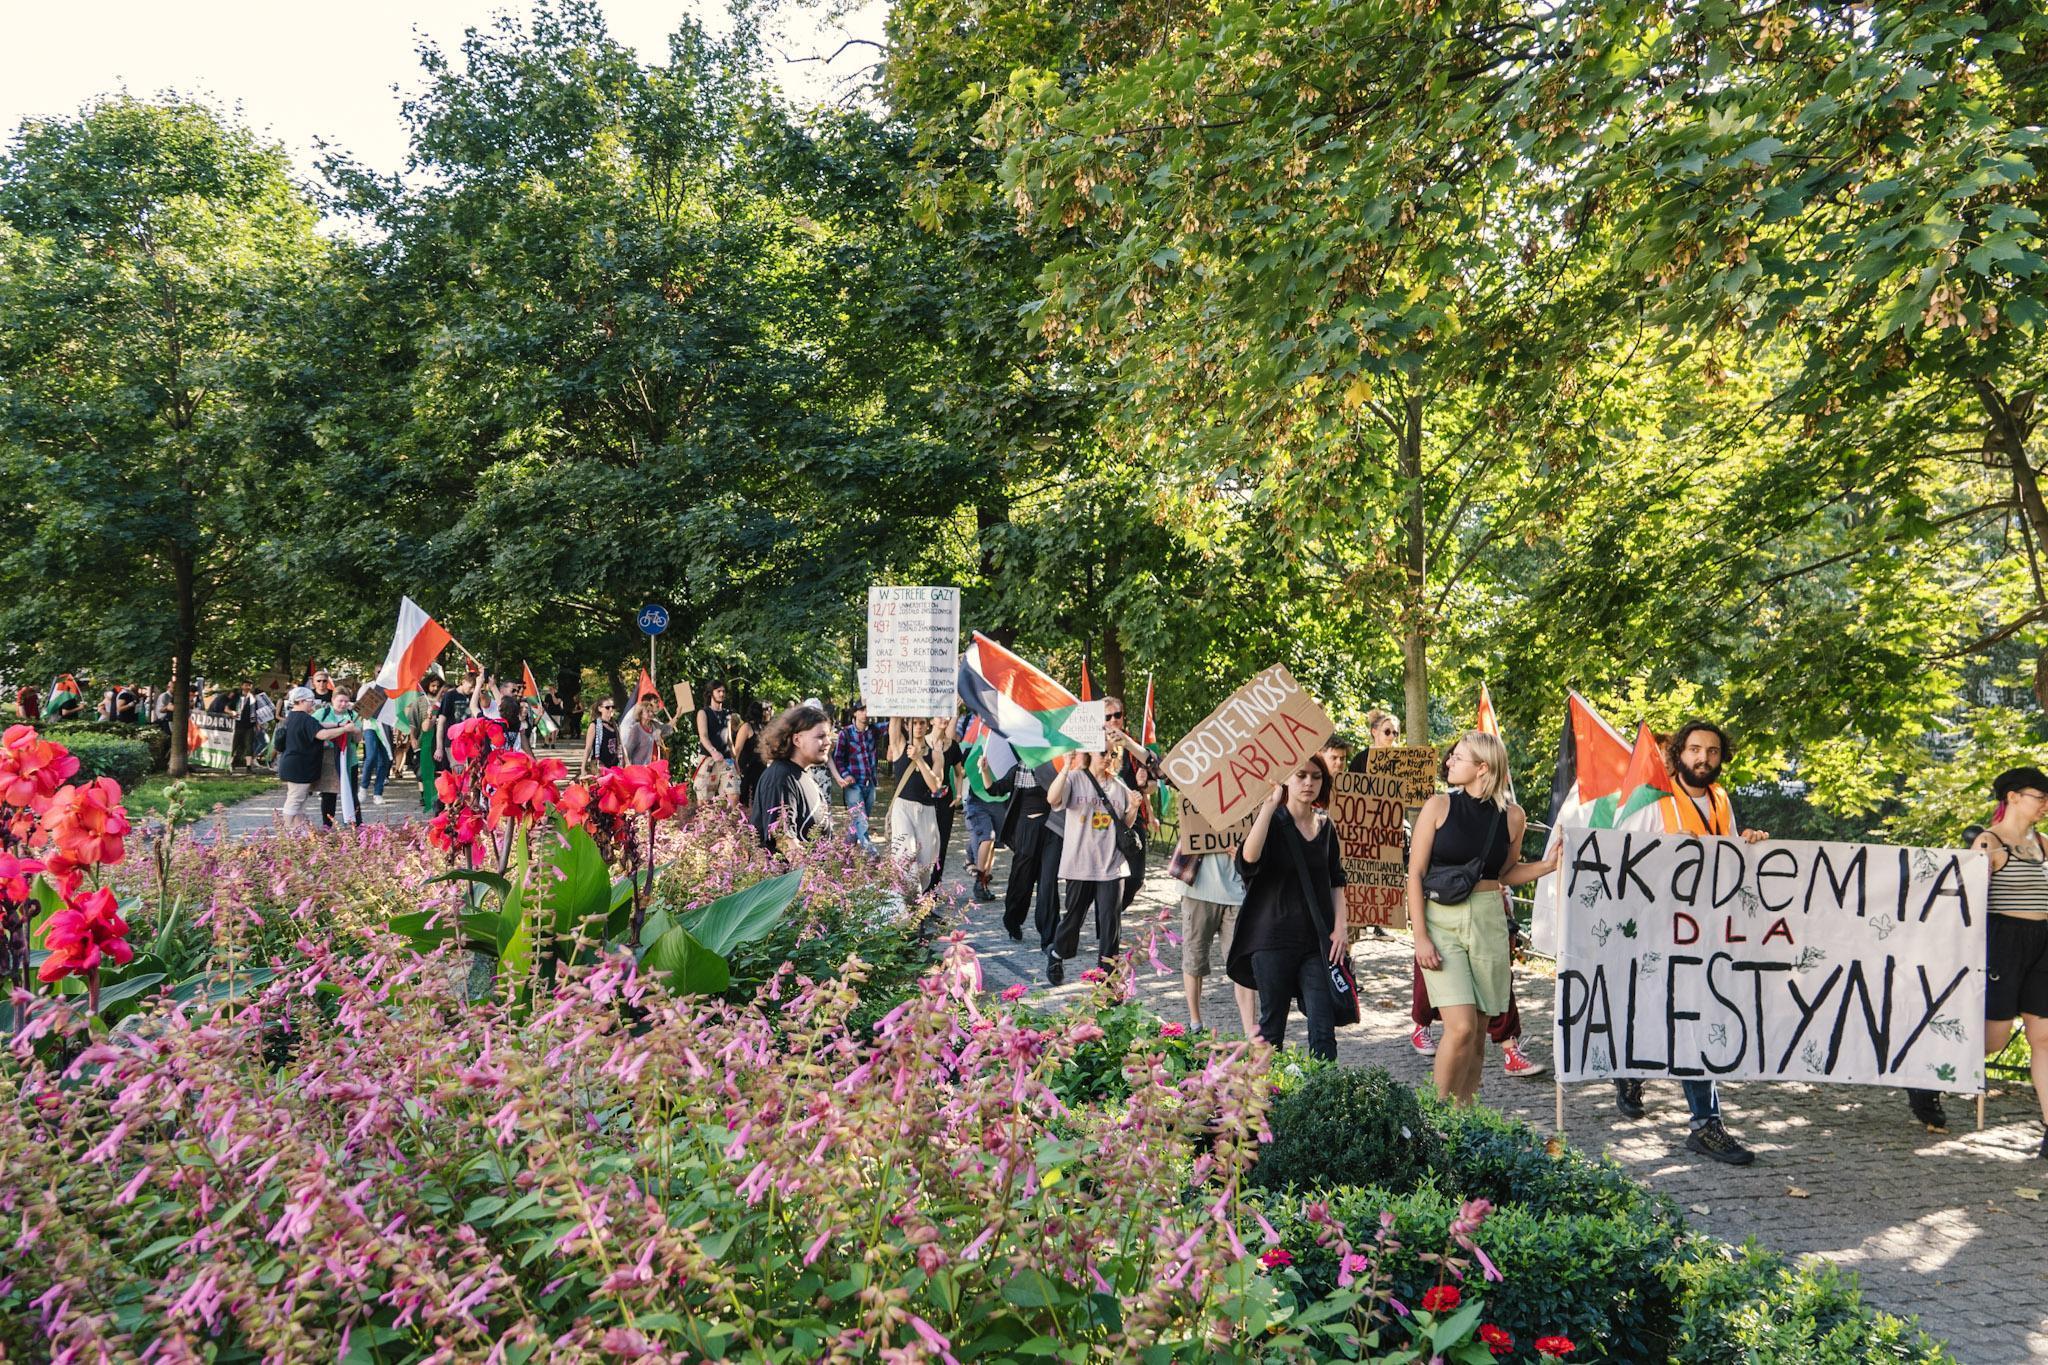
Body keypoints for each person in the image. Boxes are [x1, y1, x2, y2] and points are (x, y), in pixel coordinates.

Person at [1609, 720, 1766, 1163]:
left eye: (1712, 751)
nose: (1704, 758)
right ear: (1679, 753)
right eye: (1695, 749)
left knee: (1694, 1015)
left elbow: (1729, 853)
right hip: (1657, 927)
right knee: (1665, 1009)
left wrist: (1748, 842)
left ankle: (1702, 1122)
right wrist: (1661, 851)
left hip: (1704, 929)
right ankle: (1637, 1070)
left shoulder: (1720, 799)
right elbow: (1621, 858)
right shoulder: (1654, 801)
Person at [1407, 731, 1554, 1107]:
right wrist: (1420, 937)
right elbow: (1415, 875)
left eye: (1458, 757)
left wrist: (1549, 866)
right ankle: (1434, 1114)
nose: (1449, 762)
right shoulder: (1438, 806)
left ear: (1482, 767)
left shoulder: (1513, 817)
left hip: (1489, 920)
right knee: (1460, 1027)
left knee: (1479, 1032)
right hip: (1442, 921)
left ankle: (1463, 1116)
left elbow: (1505, 873)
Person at [1228, 757, 1348, 1059]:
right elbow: (1248, 860)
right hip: (1272, 941)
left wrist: (1341, 928)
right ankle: (1266, 1099)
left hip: (1316, 944)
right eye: (1301, 776)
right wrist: (1268, 807)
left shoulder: (1326, 825)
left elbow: (1337, 879)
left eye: (1316, 777)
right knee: (1272, 1029)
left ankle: (1321, 1099)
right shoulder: (1273, 821)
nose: (1308, 783)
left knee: (1323, 1029)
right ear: (1286, 781)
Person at [1967, 767, 2048, 1158]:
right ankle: (1930, 1073)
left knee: (2044, 1037)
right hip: (2003, 941)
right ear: (2012, 797)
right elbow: (1965, 903)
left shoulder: (2045, 844)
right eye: (2039, 796)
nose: (2045, 804)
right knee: (1996, 1038)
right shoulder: (1989, 841)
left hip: (2043, 944)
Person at [1045, 745, 1136, 983]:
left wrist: (1134, 808)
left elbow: (1124, 825)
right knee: (1073, 918)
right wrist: (1065, 766)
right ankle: (1057, 952)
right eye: (1103, 752)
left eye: (1113, 754)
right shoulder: (1075, 778)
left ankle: (1108, 979)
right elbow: (1052, 799)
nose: (1108, 758)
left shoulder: (1119, 786)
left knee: (1110, 924)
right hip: (1080, 862)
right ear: (1090, 752)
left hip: (1112, 864)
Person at [1177, 846, 1259, 1037]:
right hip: (1198, 887)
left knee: (1241, 964)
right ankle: (1195, 1024)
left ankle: (1250, 1035)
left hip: (1237, 890)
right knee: (1194, 958)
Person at [992, 755, 1065, 949]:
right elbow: (996, 789)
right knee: (1021, 880)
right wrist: (983, 770)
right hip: (1027, 831)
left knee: (1048, 883)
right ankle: (1013, 921)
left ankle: (1049, 937)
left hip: (1053, 830)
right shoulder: (1020, 769)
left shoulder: (1058, 767)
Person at [751, 704, 833, 849]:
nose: (828, 742)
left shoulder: (803, 773)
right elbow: (783, 840)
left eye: (828, 736)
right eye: (821, 736)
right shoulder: (781, 778)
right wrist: (811, 871)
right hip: (789, 871)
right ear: (797, 740)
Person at [1104, 698, 1154, 912]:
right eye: (1108, 716)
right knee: (1105, 878)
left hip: (1134, 817)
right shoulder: (1094, 747)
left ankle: (1113, 913)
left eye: (1118, 715)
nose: (1114, 720)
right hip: (1105, 818)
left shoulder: (1134, 746)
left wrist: (1144, 784)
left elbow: (1152, 785)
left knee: (1136, 878)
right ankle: (1107, 923)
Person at [887, 717, 948, 888]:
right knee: (905, 855)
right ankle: (905, 905)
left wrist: (919, 759)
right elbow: (894, 720)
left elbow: (935, 786)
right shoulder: (899, 746)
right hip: (903, 808)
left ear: (928, 725)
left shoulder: (935, 754)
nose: (918, 727)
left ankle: (916, 903)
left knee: (924, 866)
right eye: (914, 723)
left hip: (926, 812)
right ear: (907, 726)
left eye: (922, 723)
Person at [273, 687, 338, 830]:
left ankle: (299, 830)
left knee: (300, 800)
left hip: (293, 764)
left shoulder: (293, 716)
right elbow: (323, 734)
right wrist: (344, 730)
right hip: (299, 767)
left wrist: (338, 725)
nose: (312, 704)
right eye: (310, 701)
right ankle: (288, 829)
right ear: (301, 701)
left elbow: (318, 725)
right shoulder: (304, 718)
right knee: (295, 800)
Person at [958, 728, 1009, 900]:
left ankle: (984, 881)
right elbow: (961, 771)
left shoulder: (1007, 744)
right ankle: (979, 882)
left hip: (999, 800)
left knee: (992, 843)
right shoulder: (977, 743)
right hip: (978, 801)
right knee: (987, 837)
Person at [314, 689, 364, 827]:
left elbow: (358, 739)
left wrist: (356, 730)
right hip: (328, 759)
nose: (343, 704)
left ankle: (357, 825)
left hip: (349, 759)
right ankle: (328, 825)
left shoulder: (353, 715)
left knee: (351, 793)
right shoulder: (322, 714)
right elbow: (313, 729)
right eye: (340, 701)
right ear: (333, 700)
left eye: (346, 701)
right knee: (329, 794)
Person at [830, 700, 879, 820]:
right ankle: (866, 840)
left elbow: (892, 726)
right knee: (860, 821)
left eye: (868, 710)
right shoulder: (845, 733)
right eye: (862, 710)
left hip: (870, 782)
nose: (865, 713)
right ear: (855, 713)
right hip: (853, 784)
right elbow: (838, 758)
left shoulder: (873, 730)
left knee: (860, 821)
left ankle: (849, 840)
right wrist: (845, 775)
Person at [694, 683, 737, 804]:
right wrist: (713, 751)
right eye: (718, 691)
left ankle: (730, 822)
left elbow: (729, 739)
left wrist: (735, 761)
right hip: (708, 759)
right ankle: (704, 823)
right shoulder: (703, 712)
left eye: (723, 691)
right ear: (711, 693)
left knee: (734, 794)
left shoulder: (728, 714)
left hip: (727, 760)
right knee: (704, 799)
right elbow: (703, 736)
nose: (722, 694)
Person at [357, 685, 395, 806]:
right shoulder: (368, 686)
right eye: (378, 671)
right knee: (371, 756)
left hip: (385, 727)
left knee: (384, 759)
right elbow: (359, 708)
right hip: (370, 726)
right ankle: (363, 787)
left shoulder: (392, 688)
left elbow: (395, 709)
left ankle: (378, 793)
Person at [411, 677, 445, 811]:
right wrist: (413, 738)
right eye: (433, 685)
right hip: (423, 741)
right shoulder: (419, 702)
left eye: (438, 686)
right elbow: (413, 722)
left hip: (439, 742)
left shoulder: (443, 702)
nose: (435, 688)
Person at [433, 671, 475, 780]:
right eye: (471, 687)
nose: (472, 690)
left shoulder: (474, 696)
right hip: (454, 742)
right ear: (463, 682)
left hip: (470, 742)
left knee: (471, 774)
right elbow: (441, 722)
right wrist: (439, 747)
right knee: (458, 774)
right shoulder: (450, 695)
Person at [735, 701, 770, 809]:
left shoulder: (763, 727)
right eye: (765, 710)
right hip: (747, 767)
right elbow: (737, 749)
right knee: (744, 795)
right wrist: (734, 766)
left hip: (760, 767)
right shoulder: (746, 727)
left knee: (757, 797)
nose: (767, 713)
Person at [620, 700, 672, 767]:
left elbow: (667, 729)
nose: (650, 713)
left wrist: (678, 715)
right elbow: (628, 749)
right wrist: (627, 765)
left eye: (651, 711)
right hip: (641, 769)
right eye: (647, 711)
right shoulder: (636, 729)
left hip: (655, 766)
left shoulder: (654, 725)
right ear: (641, 714)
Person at [583, 696, 623, 777]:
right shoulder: (594, 725)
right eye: (607, 707)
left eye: (613, 707)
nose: (611, 709)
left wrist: (627, 762)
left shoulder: (615, 724)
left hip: (614, 764)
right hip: (599, 765)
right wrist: (583, 768)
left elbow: (621, 744)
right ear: (600, 709)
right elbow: (588, 748)